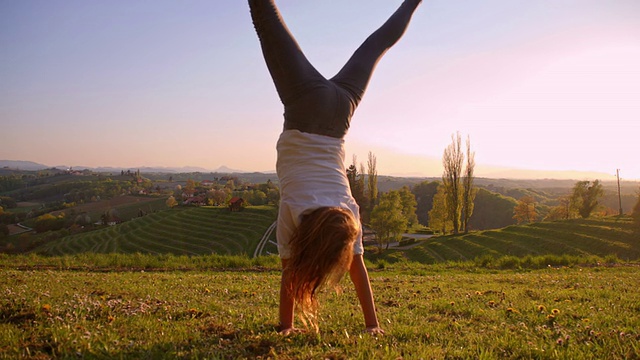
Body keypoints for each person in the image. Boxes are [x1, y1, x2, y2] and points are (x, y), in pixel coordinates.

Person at [248, 0, 421, 335]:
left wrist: (374, 325)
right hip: (304, 106)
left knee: (377, 43)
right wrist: (285, 326)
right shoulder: (295, 210)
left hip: (341, 112)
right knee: (265, 18)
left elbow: (358, 271)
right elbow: (289, 273)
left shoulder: (348, 218)